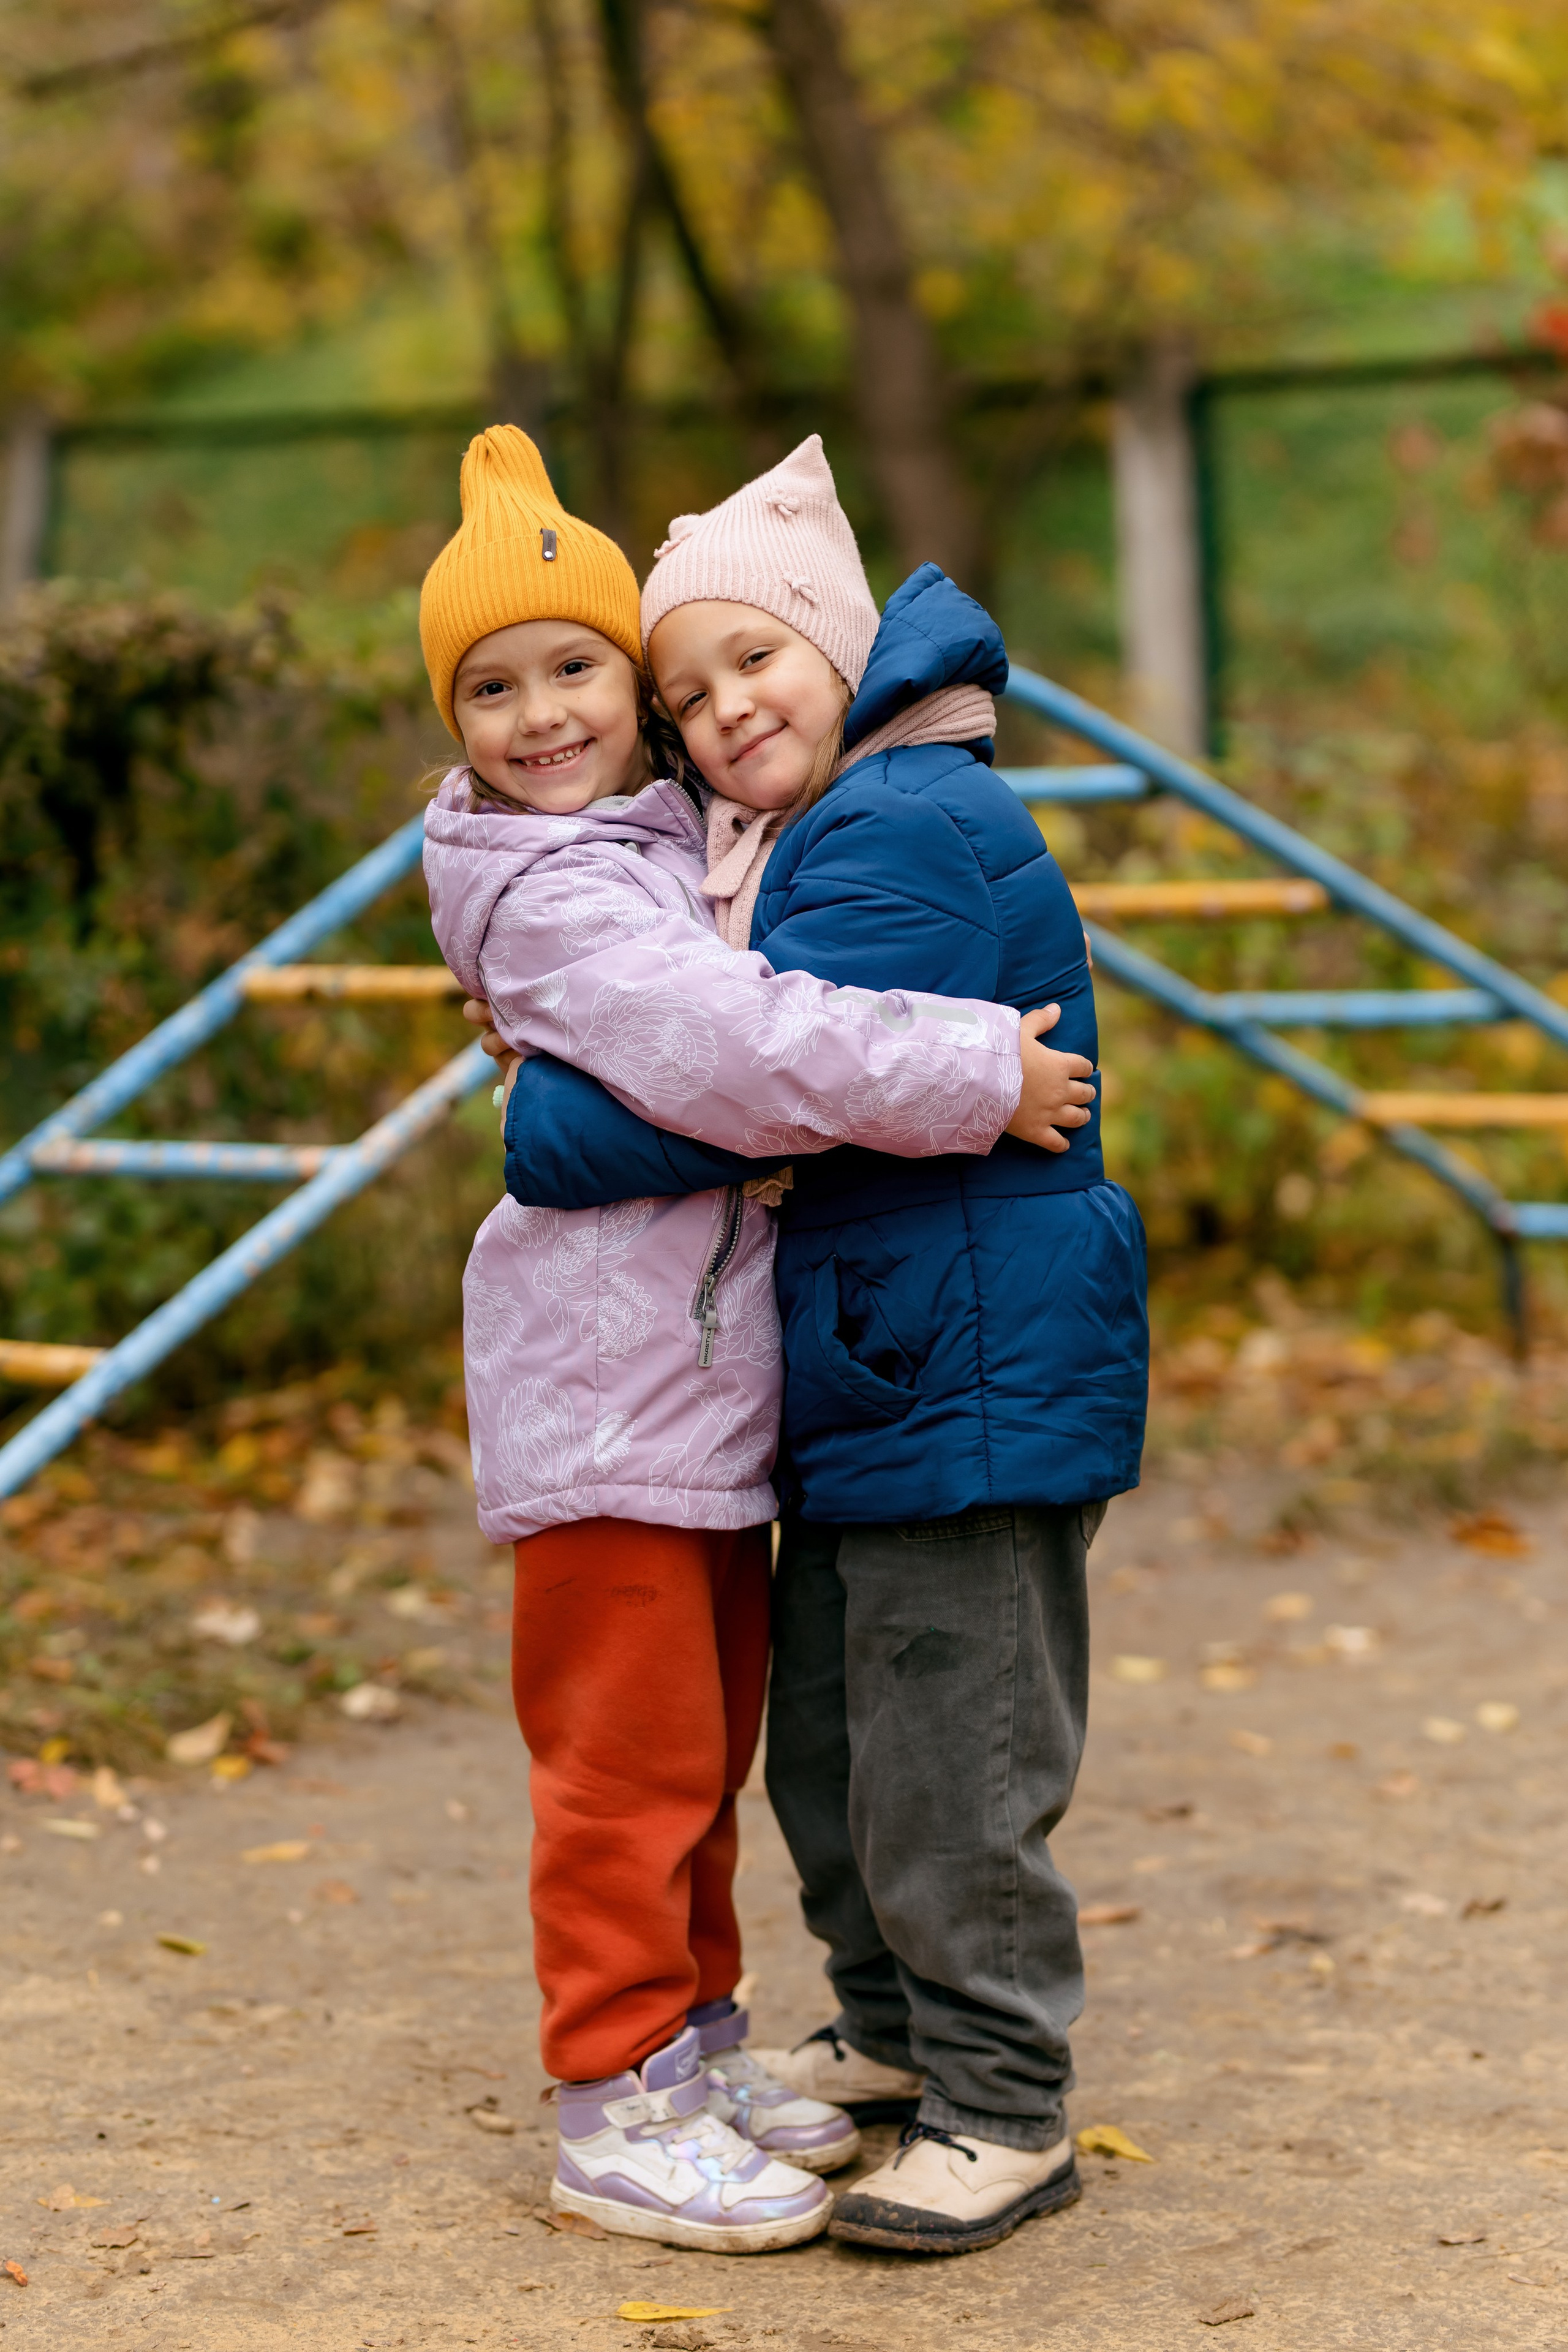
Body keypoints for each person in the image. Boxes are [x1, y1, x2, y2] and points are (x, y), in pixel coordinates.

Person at [418, 426, 1098, 2255]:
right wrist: (972, 1070)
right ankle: (618, 2096)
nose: (546, 716)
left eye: (580, 671)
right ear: (451, 722)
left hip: (702, 1398)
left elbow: (702, 1040)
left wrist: (558, 1098)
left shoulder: (725, 839)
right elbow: (737, 1047)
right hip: (614, 1405)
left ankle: (694, 2056)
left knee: (696, 1762)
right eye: (493, 687)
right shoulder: (566, 882)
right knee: (629, 1776)